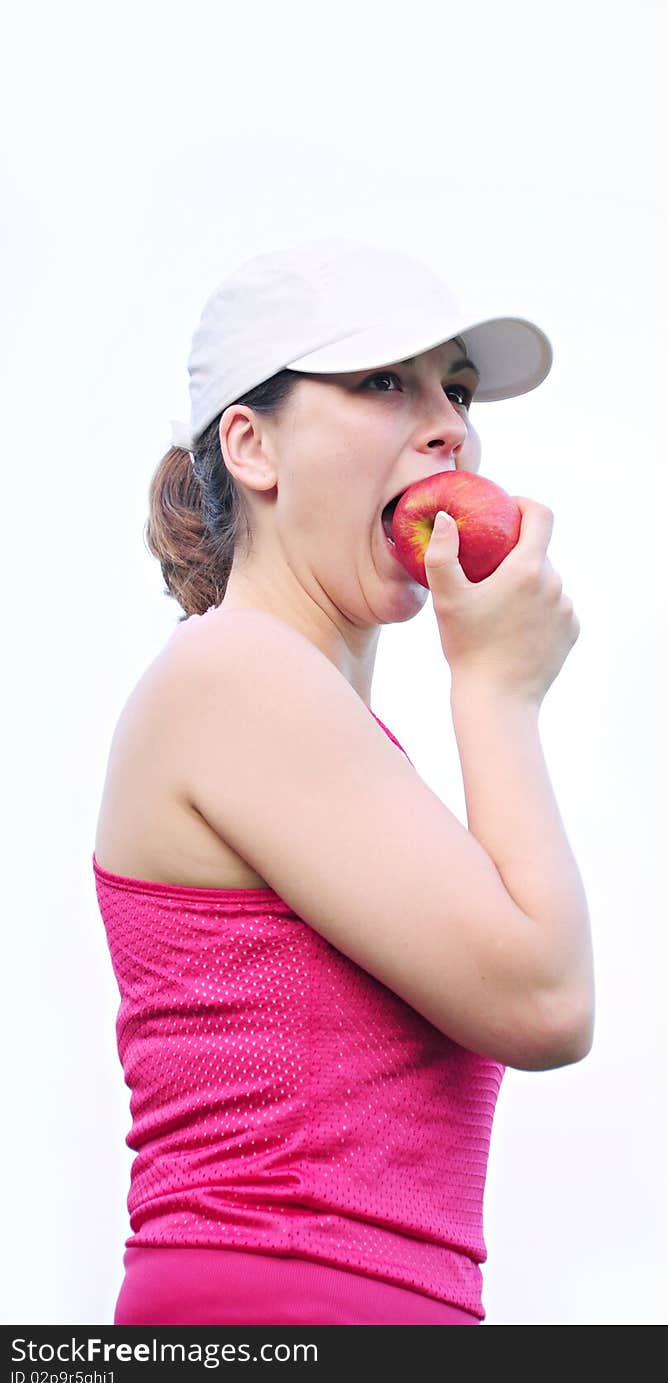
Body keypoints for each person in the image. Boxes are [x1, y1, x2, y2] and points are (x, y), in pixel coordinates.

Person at [92, 235, 594, 1326]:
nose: (447, 422)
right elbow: (545, 1002)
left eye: (455, 388)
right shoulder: (235, 673)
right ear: (252, 448)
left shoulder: (315, 730)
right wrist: (499, 693)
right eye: (381, 382)